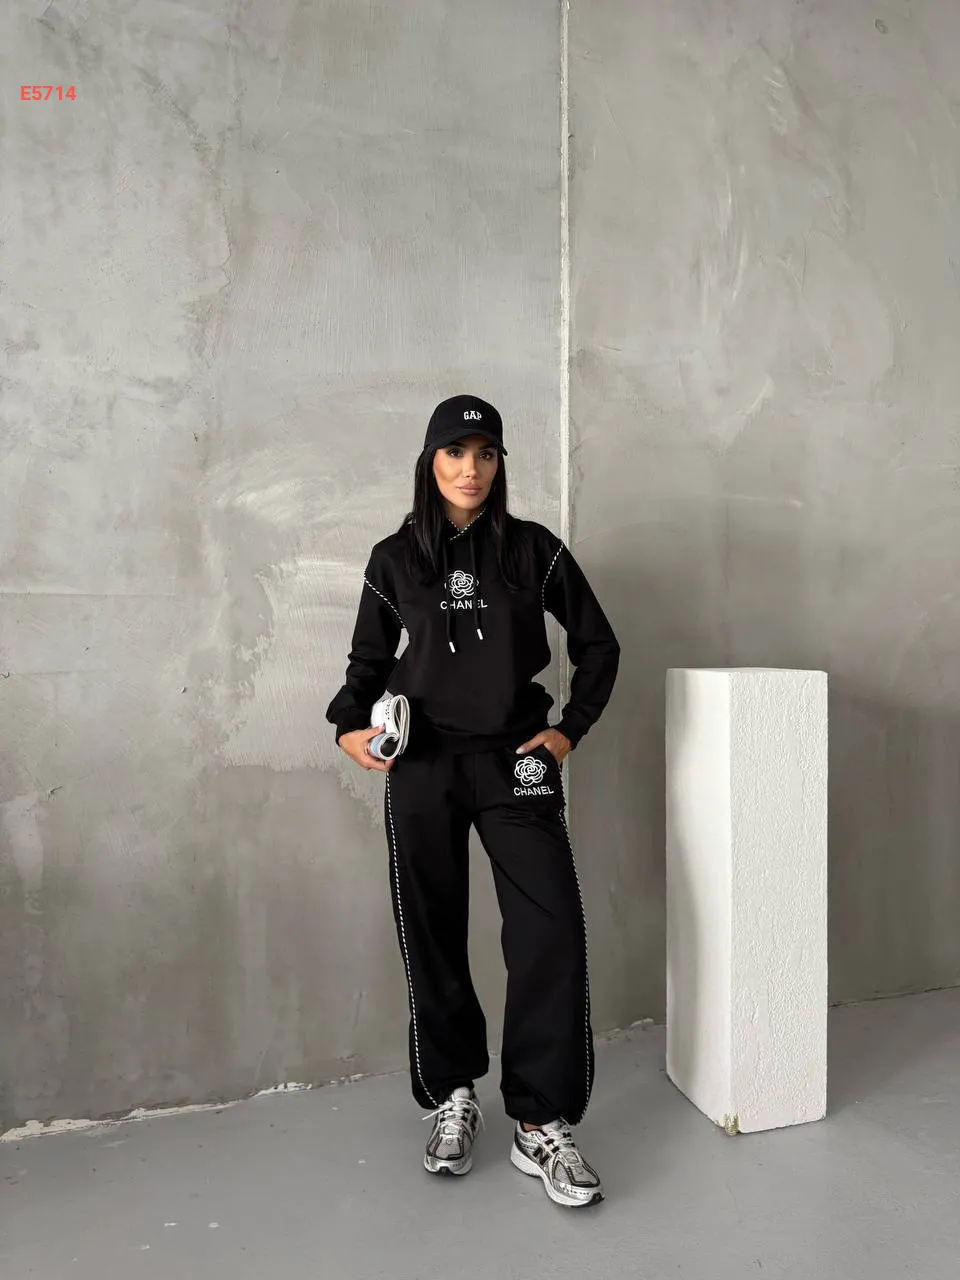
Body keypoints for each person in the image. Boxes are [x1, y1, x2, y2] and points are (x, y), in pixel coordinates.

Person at [326, 395, 620, 1208]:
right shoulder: (394, 559)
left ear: (499, 463)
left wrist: (568, 731)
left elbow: (598, 644)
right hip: (423, 763)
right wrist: (350, 727)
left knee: (550, 927)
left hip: (515, 761)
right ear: (430, 461)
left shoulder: (535, 551)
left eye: (485, 453)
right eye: (455, 452)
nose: (470, 469)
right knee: (432, 926)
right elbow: (365, 665)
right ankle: (454, 1093)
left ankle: (540, 1120)